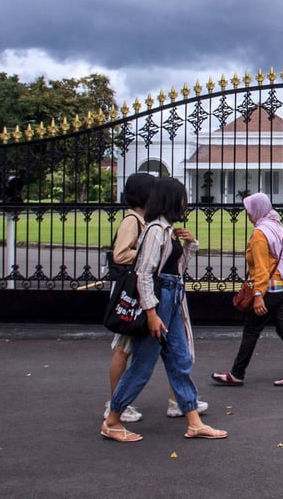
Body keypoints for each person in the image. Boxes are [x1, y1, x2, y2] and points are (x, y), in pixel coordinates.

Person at [101, 177, 226, 442]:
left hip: (171, 298)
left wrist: (190, 245)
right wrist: (151, 313)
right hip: (159, 302)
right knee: (142, 365)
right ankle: (112, 420)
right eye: (182, 197)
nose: (185, 202)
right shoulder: (155, 230)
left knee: (179, 360)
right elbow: (144, 274)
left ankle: (193, 421)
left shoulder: (167, 230)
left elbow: (178, 271)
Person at [212, 192, 283, 387]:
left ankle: (237, 374)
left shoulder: (260, 234)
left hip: (269, 292)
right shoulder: (279, 229)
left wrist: (258, 296)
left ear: (257, 210)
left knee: (251, 331)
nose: (247, 214)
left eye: (249, 209)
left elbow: (262, 269)